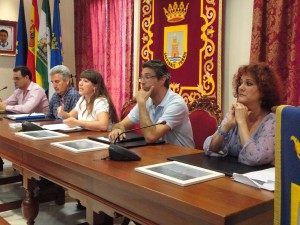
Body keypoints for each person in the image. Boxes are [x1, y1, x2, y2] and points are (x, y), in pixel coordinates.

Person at [203, 62, 283, 166]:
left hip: (258, 180)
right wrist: (226, 126)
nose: (240, 87)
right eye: (240, 83)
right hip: (233, 176)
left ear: (264, 91)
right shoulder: (235, 114)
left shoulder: (273, 122)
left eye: (249, 83)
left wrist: (241, 123)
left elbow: (253, 158)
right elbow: (209, 147)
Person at [108, 59, 195, 148]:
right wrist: (118, 129)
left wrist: (141, 103)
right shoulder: (148, 100)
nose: (142, 82)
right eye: (141, 77)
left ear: (162, 80)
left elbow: (151, 136)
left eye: (147, 77)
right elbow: (122, 124)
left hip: (180, 157)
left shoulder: (176, 104)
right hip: (158, 153)